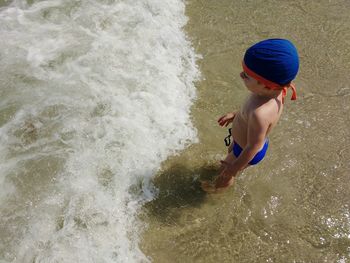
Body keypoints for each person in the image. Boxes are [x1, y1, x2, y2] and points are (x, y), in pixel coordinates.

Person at [201, 38, 299, 193]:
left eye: (246, 75)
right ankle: (228, 167)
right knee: (229, 158)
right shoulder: (274, 91)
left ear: (266, 84)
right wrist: (236, 115)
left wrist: (232, 170)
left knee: (225, 174)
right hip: (243, 142)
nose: (241, 75)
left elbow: (254, 146)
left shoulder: (260, 114)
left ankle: (216, 191)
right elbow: (250, 115)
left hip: (248, 149)